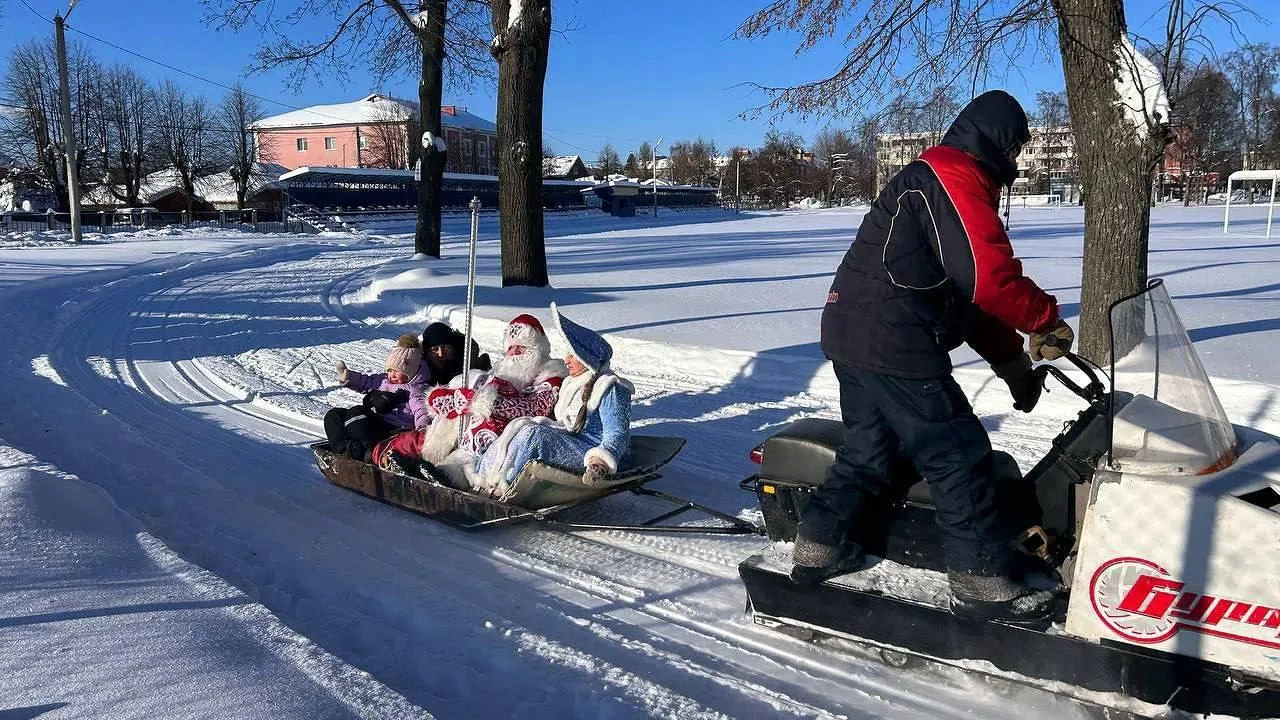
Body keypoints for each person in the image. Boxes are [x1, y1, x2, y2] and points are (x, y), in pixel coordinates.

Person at [792, 90, 1076, 625]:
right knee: (958, 453)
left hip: (853, 331)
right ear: (997, 140)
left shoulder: (937, 179)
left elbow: (964, 297)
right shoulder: (951, 175)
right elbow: (989, 279)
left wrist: (1013, 365)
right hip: (894, 335)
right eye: (1015, 147)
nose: (1015, 160)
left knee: (868, 452)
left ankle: (818, 546)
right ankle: (979, 582)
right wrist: (1043, 319)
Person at [472, 303, 634, 497]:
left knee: (536, 436)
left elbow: (617, 432)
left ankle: (509, 486)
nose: (566, 361)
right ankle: (481, 478)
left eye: (572, 356)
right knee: (521, 427)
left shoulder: (610, 387)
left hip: (591, 451)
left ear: (586, 358)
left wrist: (600, 461)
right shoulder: (572, 383)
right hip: (573, 441)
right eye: (567, 355)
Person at [419, 314, 566, 484]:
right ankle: (431, 469)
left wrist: (483, 402)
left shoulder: (550, 375)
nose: (515, 353)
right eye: (511, 348)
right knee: (449, 448)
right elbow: (456, 395)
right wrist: (454, 398)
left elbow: (535, 407)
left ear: (537, 350)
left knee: (469, 463)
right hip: (469, 441)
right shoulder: (501, 373)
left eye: (522, 348)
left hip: (509, 442)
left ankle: (451, 477)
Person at [323, 334, 430, 461]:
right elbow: (367, 382)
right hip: (378, 421)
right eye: (390, 370)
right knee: (334, 415)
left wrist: (422, 428)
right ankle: (343, 449)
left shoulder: (415, 389)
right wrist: (348, 377)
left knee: (357, 413)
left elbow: (420, 410)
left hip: (395, 428)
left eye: (397, 371)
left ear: (411, 371)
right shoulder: (384, 380)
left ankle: (368, 450)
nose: (392, 375)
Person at [421, 321, 492, 386]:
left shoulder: (471, 366)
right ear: (427, 353)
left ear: (453, 348)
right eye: (435, 349)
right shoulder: (418, 373)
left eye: (445, 348)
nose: (441, 354)